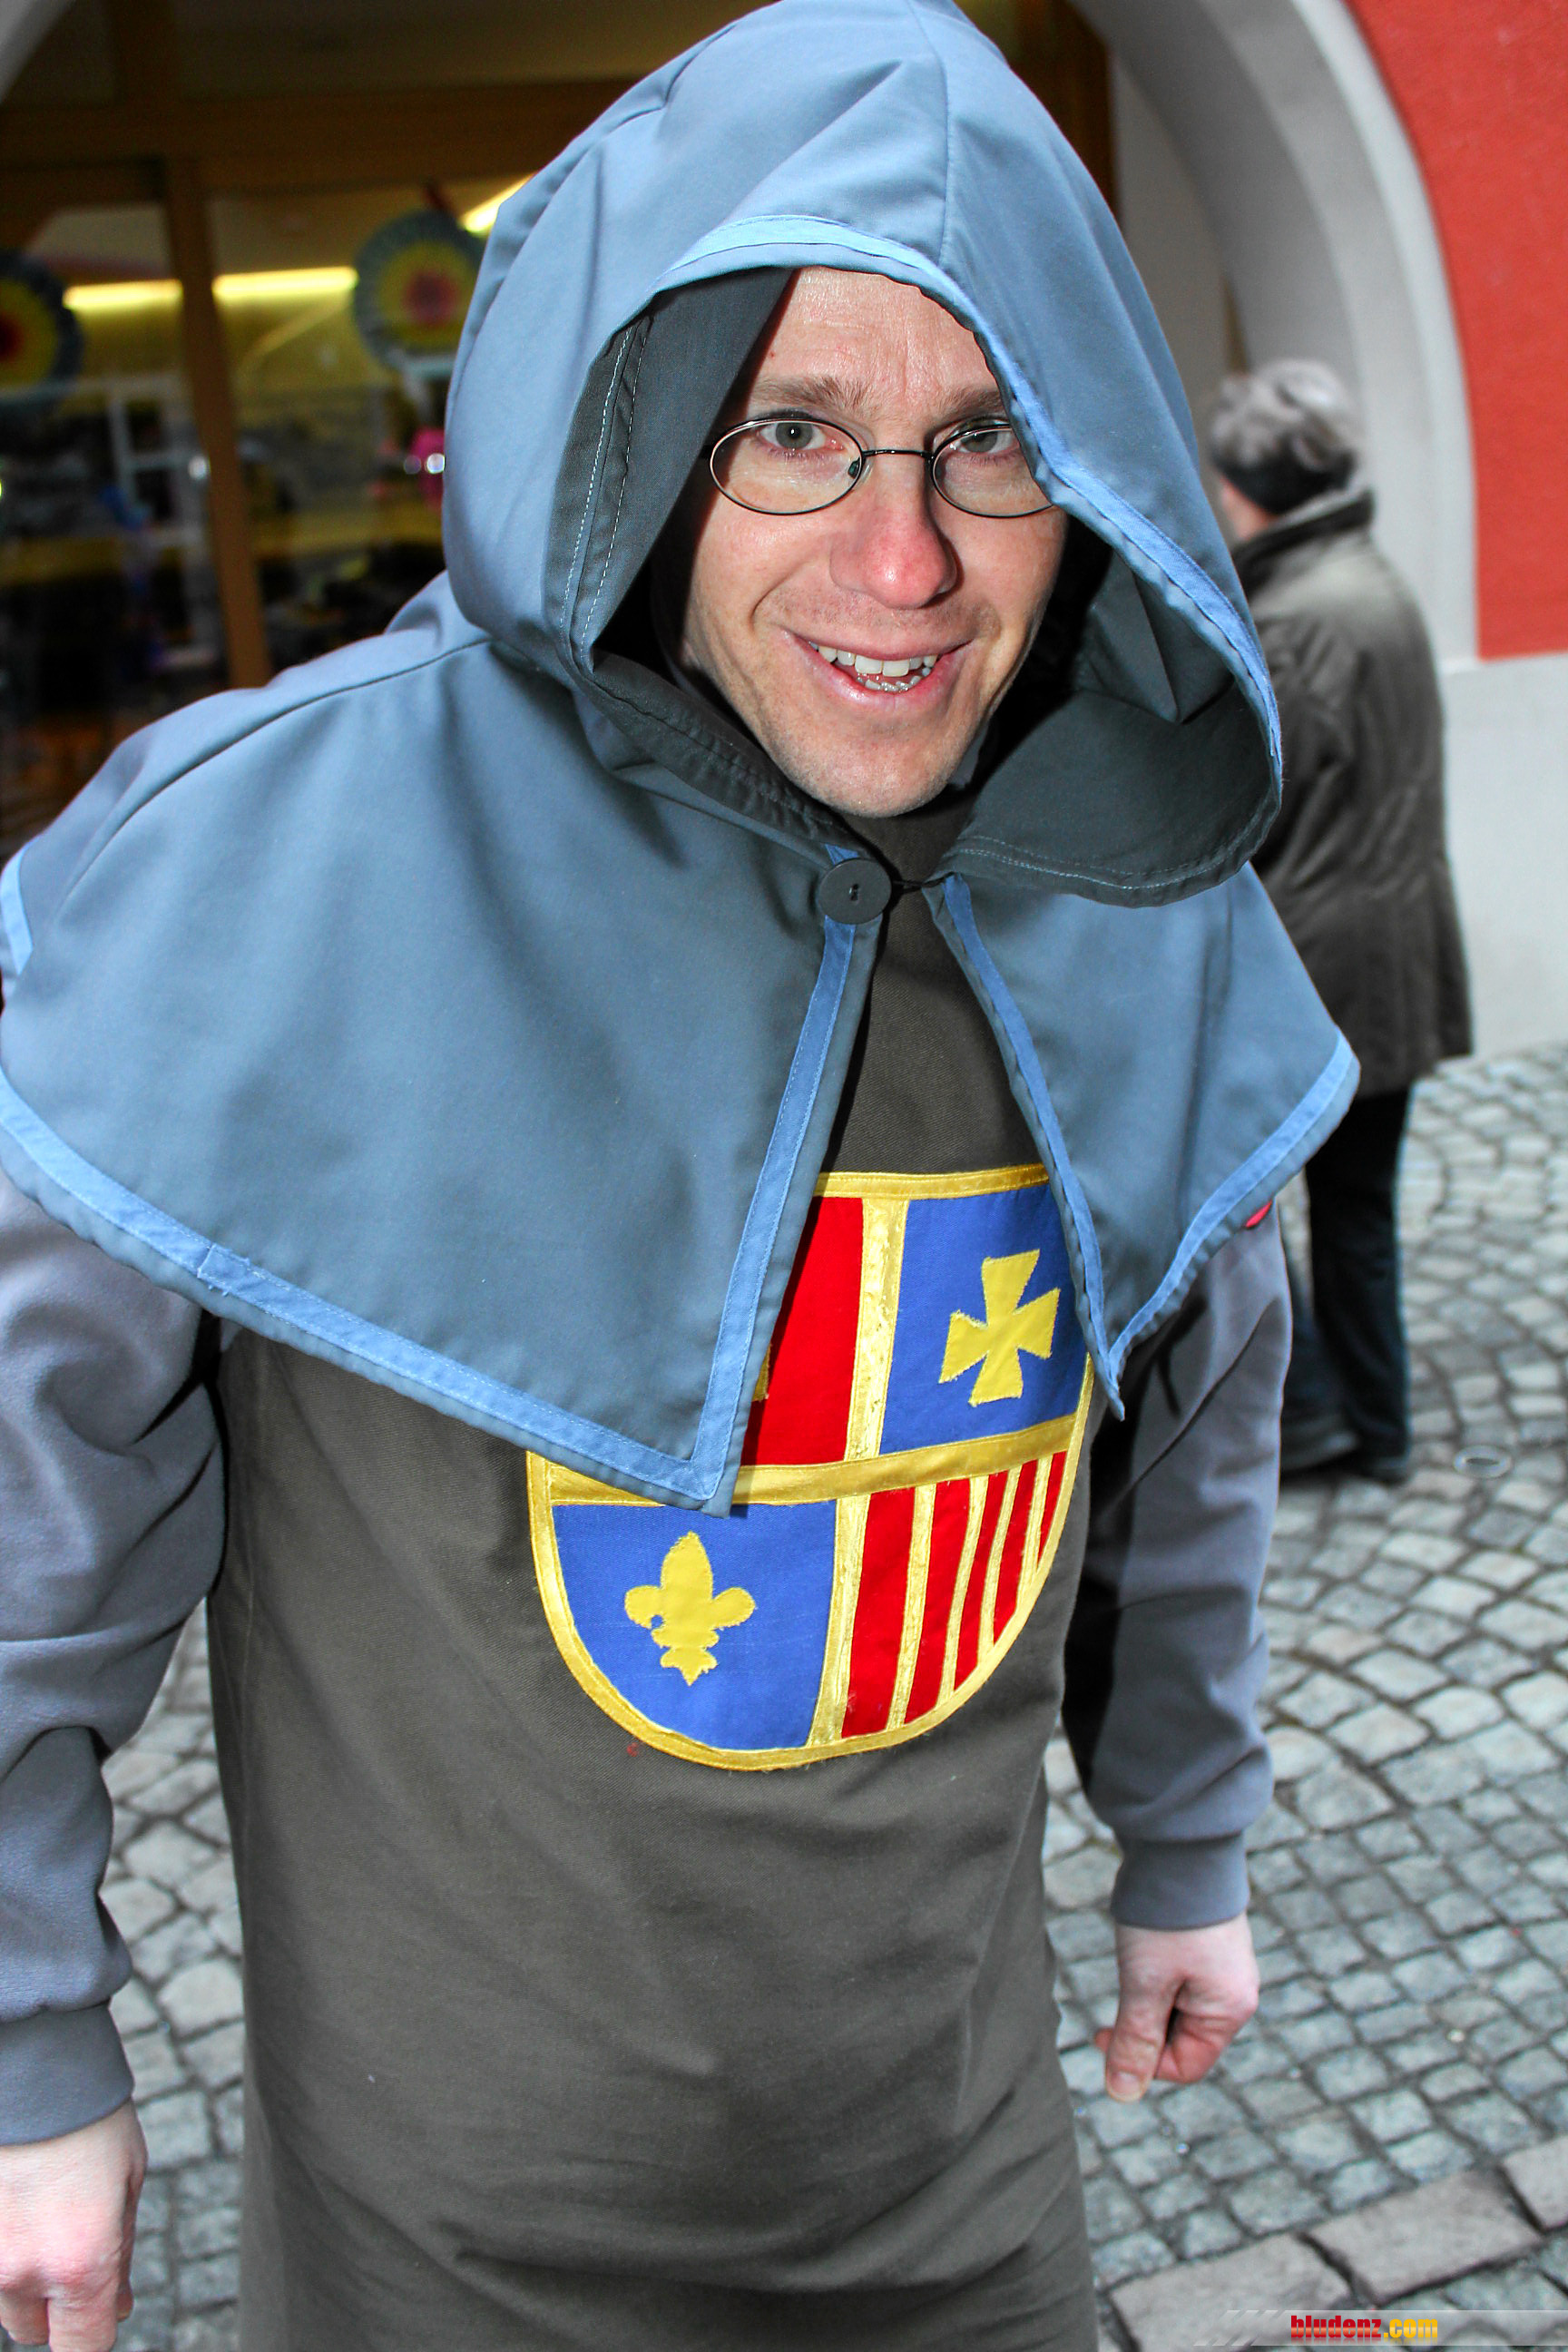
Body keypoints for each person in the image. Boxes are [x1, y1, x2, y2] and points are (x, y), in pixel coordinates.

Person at [0, 6, 1354, 2346]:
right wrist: (31, 2054)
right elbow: (26, 1499)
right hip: (451, 2257)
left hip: (960, 2206)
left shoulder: (1144, 904)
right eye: (792, 434)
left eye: (987, 440)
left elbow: (1199, 1408)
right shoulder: (274, 872)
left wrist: (1186, 1837)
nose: (904, 559)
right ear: (629, 436)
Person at [1210, 361, 1471, 1485]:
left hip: (1323, 963)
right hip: (1395, 947)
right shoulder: (1370, 579)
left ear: (1245, 487)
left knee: (1243, 1196)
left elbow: (1244, 809)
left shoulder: (1294, 619)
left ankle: (1317, 1407)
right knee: (1358, 1213)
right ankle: (1380, 1425)